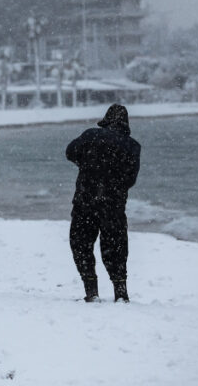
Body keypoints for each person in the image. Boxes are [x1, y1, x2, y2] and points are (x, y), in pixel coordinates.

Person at [65, 104, 141, 303]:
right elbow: (130, 180)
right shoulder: (132, 146)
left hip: (85, 201)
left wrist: (88, 165)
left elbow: (70, 152)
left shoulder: (91, 135)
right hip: (113, 205)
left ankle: (91, 291)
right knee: (115, 247)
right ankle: (121, 291)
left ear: (107, 118)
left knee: (81, 244)